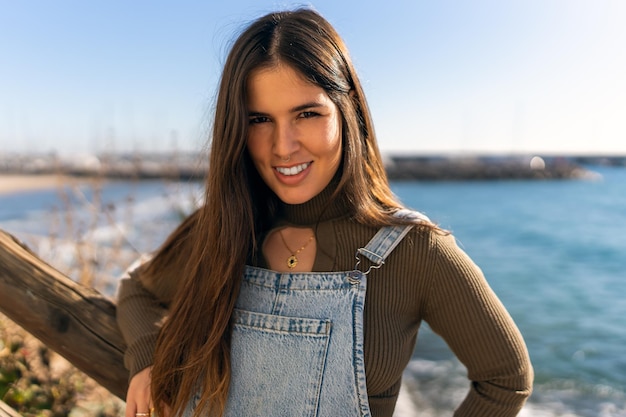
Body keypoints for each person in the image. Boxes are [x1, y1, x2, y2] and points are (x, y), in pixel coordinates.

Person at [116, 8, 533, 417]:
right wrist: (148, 359)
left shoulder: (416, 252)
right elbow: (137, 287)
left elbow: (506, 378)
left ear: (346, 108)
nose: (283, 146)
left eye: (307, 114)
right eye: (259, 119)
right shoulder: (224, 227)